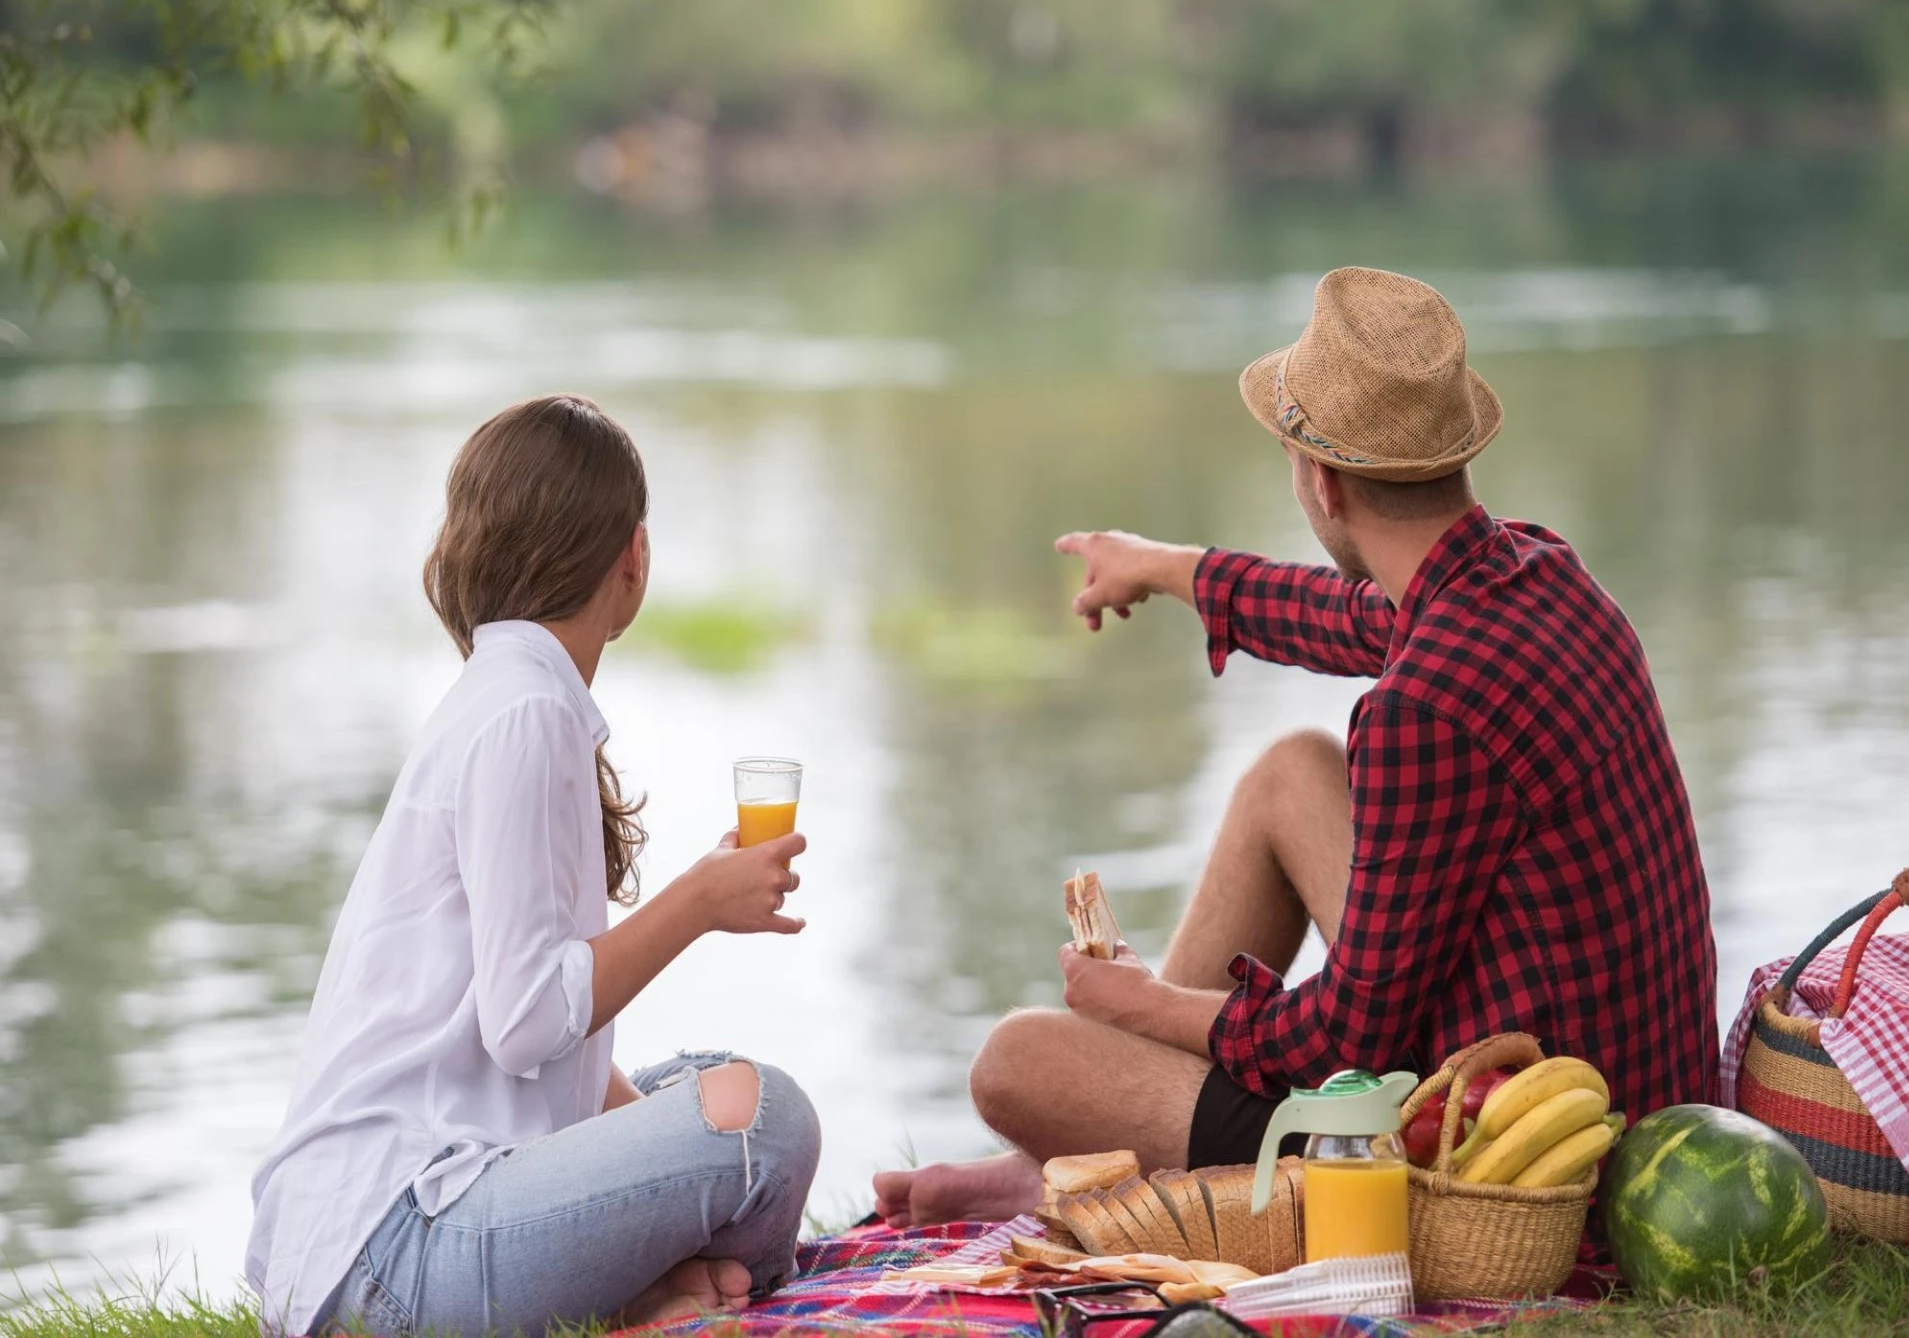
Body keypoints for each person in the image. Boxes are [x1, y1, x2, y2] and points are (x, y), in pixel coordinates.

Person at [875, 266, 1718, 1226]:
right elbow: (1345, 614)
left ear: (1320, 478)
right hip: (1624, 1084)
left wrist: (1141, 1005)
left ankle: (1110, 1155)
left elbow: (1343, 1038)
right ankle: (1108, 1152)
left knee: (1015, 1061)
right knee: (1292, 774)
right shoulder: (1536, 571)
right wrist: (1161, 566)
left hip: (1512, 1157)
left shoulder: (1424, 706)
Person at [247, 395, 821, 1336]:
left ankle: (655, 1292)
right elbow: (526, 1026)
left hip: (406, 1227)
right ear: (633, 558)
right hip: (394, 1252)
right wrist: (698, 902)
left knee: (709, 1079)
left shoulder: (508, 693)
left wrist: (665, 1152)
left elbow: (551, 1060)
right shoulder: (524, 712)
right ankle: (690, 1295)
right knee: (769, 1121)